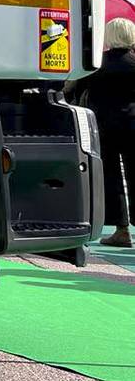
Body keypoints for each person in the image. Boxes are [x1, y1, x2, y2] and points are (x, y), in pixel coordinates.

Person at [69, 17, 135, 248]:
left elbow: (73, 88)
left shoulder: (98, 64)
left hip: (105, 125)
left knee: (111, 177)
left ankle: (121, 229)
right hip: (133, 123)